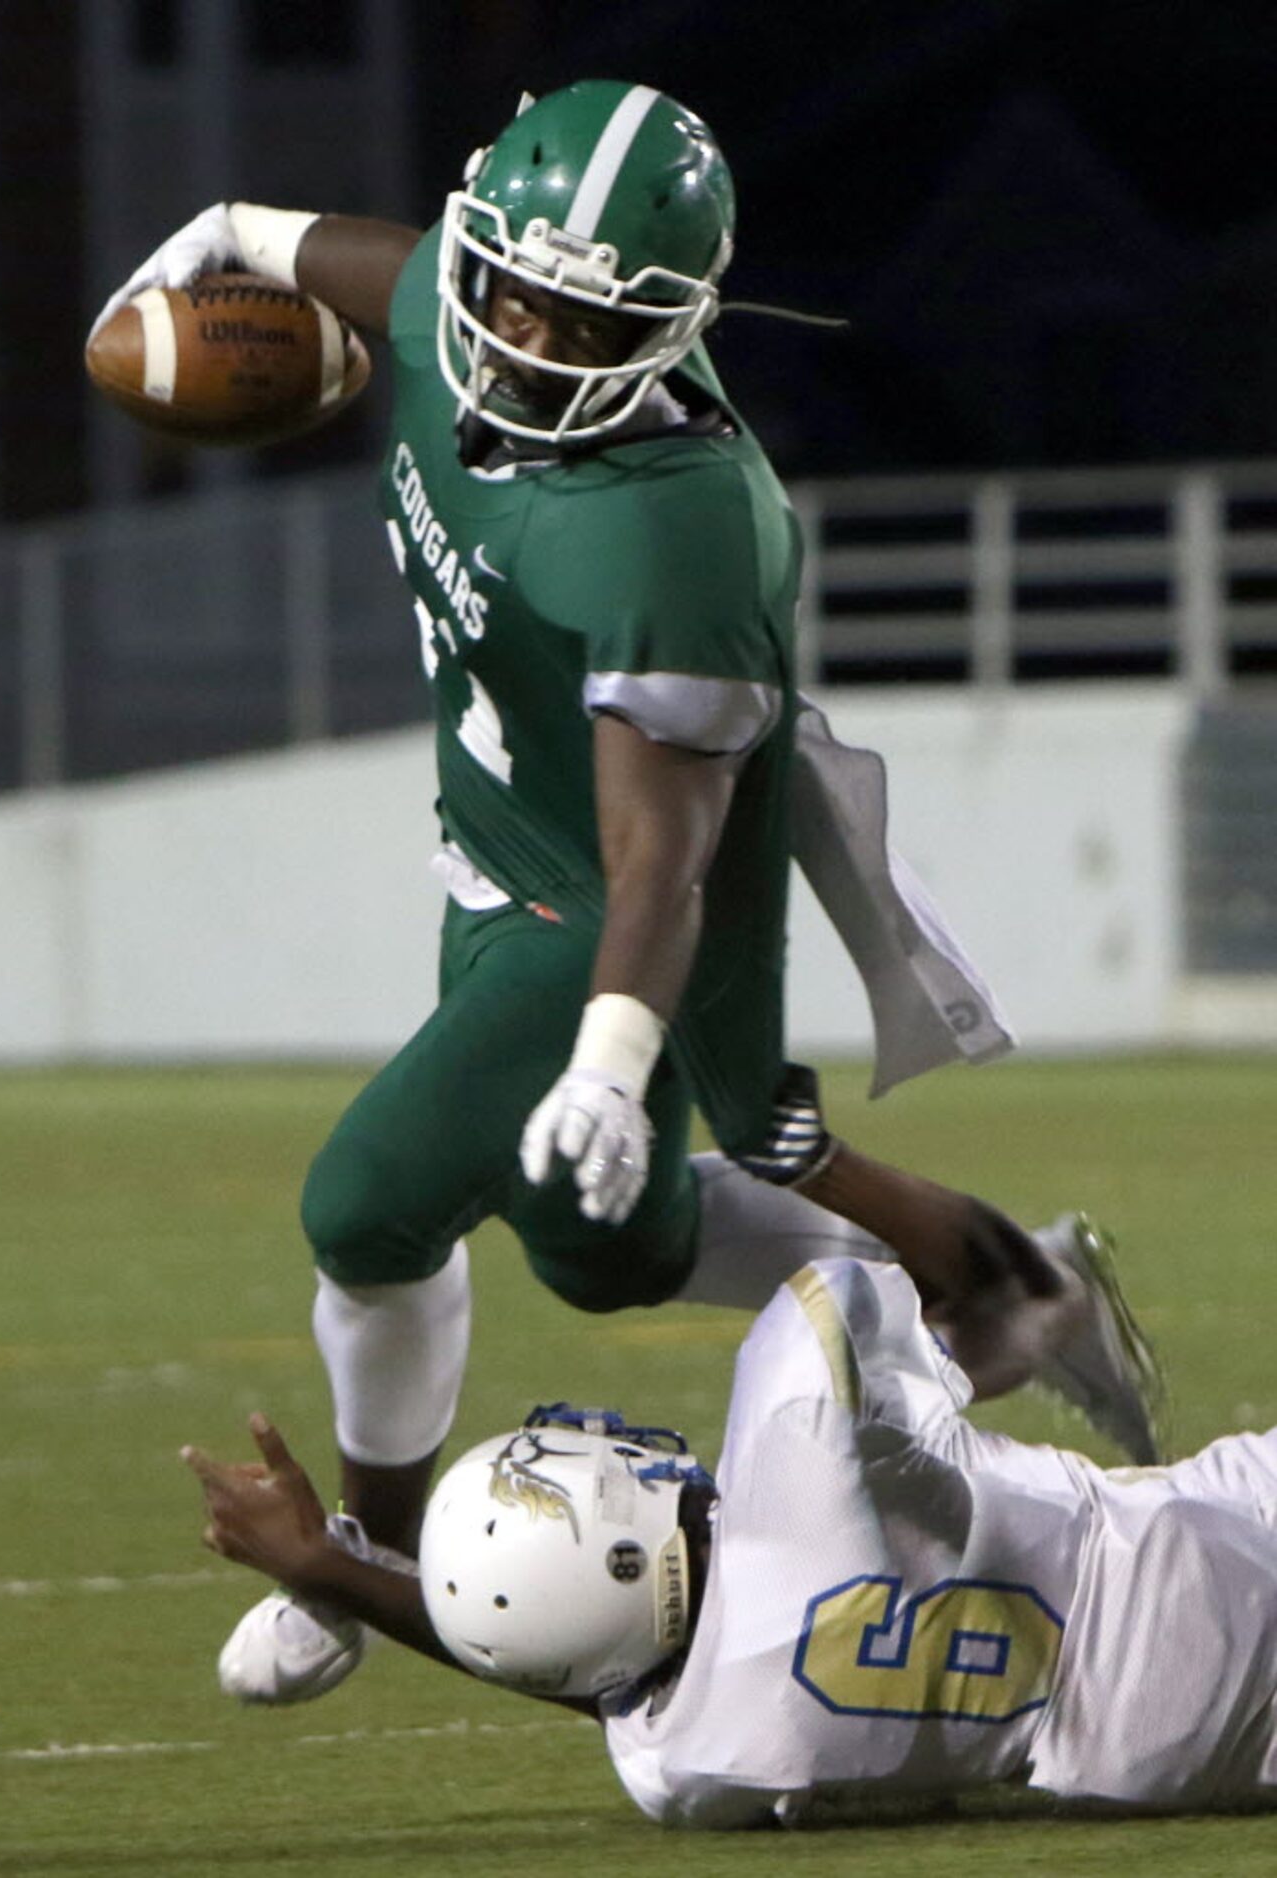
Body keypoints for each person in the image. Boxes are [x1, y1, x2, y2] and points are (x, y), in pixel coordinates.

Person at [95, 81, 1157, 1708]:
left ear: (664, 326)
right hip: (502, 860)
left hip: (615, 894)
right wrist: (231, 235)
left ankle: (360, 1573)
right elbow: (368, 262)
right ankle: (1004, 1282)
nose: (522, 338)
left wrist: (607, 1052)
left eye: (578, 316)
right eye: (507, 292)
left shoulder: (674, 524)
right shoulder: (465, 298)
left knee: (365, 1208)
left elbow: (661, 847)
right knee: (610, 1247)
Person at [185, 1216, 1277, 1829]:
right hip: (1212, 1557)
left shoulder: (689, 1769)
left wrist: (334, 1568)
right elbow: (900, 1278)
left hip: (1155, 1759)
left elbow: (571, 1656)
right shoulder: (797, 1446)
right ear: (622, 1543)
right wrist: (1021, 1308)